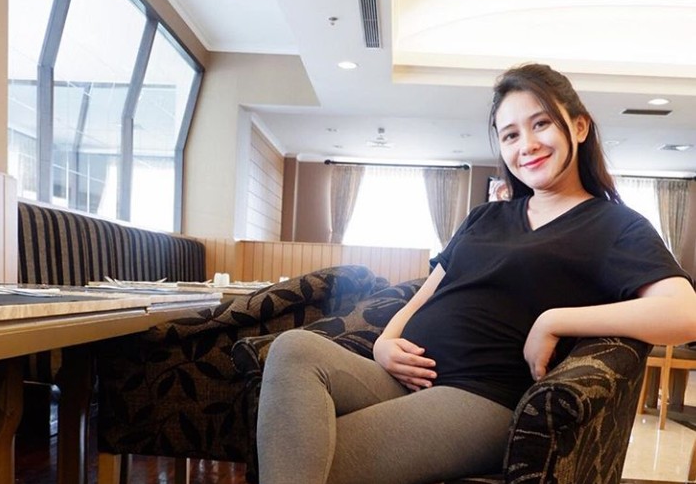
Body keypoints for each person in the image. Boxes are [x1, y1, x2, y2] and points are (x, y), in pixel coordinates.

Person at [256, 63, 696, 484]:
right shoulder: (485, 216)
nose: (527, 144)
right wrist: (386, 342)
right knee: (294, 349)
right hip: (406, 375)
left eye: (541, 124)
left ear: (579, 127)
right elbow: (428, 294)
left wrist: (555, 320)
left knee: (305, 456)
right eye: (511, 134)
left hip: (483, 396)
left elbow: (684, 312)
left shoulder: (615, 225)